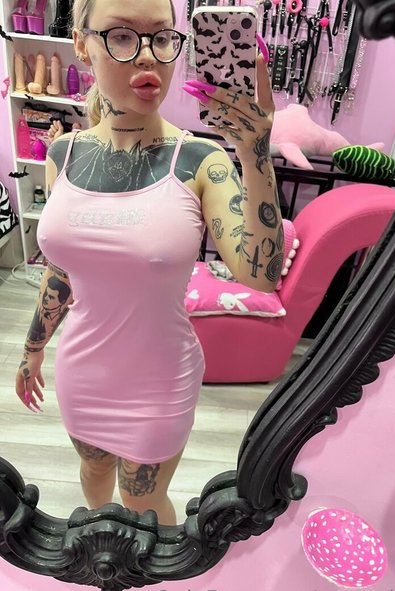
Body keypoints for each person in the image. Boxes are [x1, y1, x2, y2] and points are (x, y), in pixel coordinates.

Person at [15, 0, 284, 525]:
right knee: (93, 475)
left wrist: (255, 154)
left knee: (143, 506)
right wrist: (33, 350)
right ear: (82, 45)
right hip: (82, 370)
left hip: (160, 379)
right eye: (121, 35)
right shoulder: (61, 154)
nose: (148, 57)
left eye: (161, 38)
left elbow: (260, 274)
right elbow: (63, 269)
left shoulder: (200, 161)